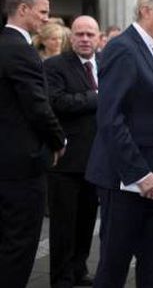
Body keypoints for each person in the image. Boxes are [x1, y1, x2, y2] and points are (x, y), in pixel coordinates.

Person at [85, 0, 153, 288]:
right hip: (126, 180)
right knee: (115, 263)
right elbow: (111, 119)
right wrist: (139, 173)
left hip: (152, 178)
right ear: (145, 10)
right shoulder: (123, 48)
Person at [0, 0, 66, 288]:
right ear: (23, 9)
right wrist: (59, 140)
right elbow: (38, 107)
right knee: (19, 245)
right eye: (43, 12)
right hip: (21, 167)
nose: (47, 18)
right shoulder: (21, 50)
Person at [44, 15, 102, 288]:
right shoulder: (54, 66)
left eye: (90, 34)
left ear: (99, 37)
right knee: (63, 226)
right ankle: (62, 278)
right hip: (66, 161)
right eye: (79, 34)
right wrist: (96, 97)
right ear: (71, 37)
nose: (85, 39)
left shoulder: (105, 63)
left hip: (97, 160)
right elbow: (56, 102)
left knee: (87, 221)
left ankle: (79, 269)